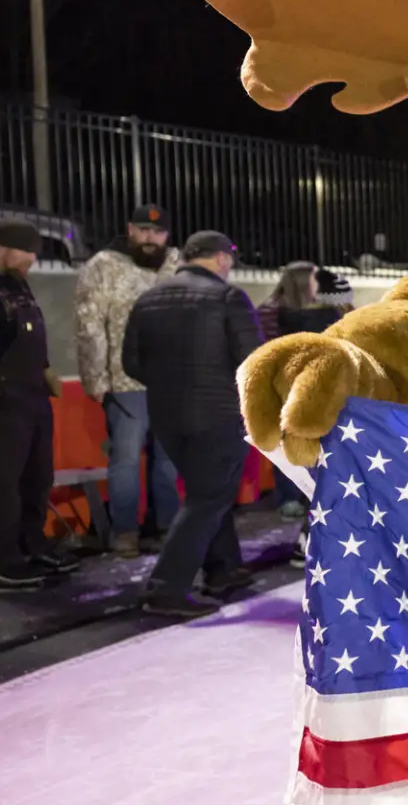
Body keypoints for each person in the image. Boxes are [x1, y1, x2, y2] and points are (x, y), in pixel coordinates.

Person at [122, 231, 264, 616]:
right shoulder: (227, 298)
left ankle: (224, 569)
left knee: (206, 492)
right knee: (208, 498)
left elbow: (130, 364)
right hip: (218, 413)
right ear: (220, 259)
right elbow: (253, 361)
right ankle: (166, 587)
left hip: (166, 414)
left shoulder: (148, 299)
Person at [74, 203, 182, 557]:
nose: (150, 238)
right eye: (143, 230)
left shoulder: (177, 266)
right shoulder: (103, 266)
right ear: (130, 230)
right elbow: (89, 325)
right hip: (125, 383)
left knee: (167, 461)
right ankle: (125, 532)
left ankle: (164, 526)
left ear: (167, 235)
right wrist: (96, 379)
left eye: (157, 232)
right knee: (125, 460)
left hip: (170, 383)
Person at [0, 221, 79, 589]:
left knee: (36, 477)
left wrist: (46, 370)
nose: (32, 260)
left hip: (32, 394)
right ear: (0, 247)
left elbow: (25, 333)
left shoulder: (16, 282)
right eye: (26, 252)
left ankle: (31, 545)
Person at [257, 261, 341, 519]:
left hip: (284, 387)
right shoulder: (331, 312)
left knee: (290, 443)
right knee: (319, 443)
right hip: (321, 387)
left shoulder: (268, 310)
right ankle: (315, 496)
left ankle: (291, 498)